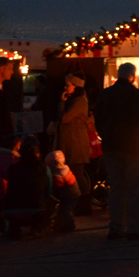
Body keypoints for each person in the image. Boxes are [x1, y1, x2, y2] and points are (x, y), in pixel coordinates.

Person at [94, 62, 139, 241]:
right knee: (137, 189)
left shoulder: (106, 94)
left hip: (112, 148)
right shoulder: (136, 96)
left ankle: (116, 228)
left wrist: (106, 137)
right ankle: (136, 228)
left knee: (116, 188)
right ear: (133, 76)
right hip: (134, 149)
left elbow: (99, 121)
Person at [54, 74, 93, 211]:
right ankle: (79, 203)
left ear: (76, 86)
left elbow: (64, 118)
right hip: (71, 142)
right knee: (74, 173)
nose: (65, 88)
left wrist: (61, 103)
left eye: (68, 85)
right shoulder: (74, 100)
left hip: (75, 143)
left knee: (77, 173)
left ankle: (84, 203)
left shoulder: (80, 101)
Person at [47, 150, 80, 231]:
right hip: (72, 194)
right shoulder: (64, 168)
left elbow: (57, 186)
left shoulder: (59, 175)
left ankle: (70, 225)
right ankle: (61, 223)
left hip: (70, 196)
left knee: (66, 210)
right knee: (63, 210)